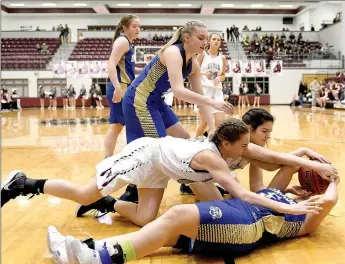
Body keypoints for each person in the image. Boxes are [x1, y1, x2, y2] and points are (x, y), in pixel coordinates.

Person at [1, 119, 338, 228]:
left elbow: (275, 159)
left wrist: (308, 164)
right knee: (83, 192)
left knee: (147, 217)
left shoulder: (226, 152)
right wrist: (291, 208)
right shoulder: (215, 159)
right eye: (243, 144)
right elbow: (245, 195)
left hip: (163, 168)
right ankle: (25, 183)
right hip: (146, 155)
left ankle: (108, 205)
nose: (247, 149)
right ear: (226, 143)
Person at [47, 164, 339, 264]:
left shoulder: (307, 212)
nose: (301, 187)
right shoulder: (277, 194)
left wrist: (334, 180)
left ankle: (98, 259)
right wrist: (302, 155)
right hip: (236, 215)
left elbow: (329, 202)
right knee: (162, 232)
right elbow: (263, 175)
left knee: (176, 215)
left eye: (308, 188)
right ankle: (88, 251)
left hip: (247, 225)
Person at [119, 20, 234, 203]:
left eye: (206, 38)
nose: (204, 42)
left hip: (157, 102)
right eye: (201, 38)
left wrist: (212, 127)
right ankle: (129, 192)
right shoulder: (173, 52)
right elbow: (179, 90)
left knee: (185, 140)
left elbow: (200, 94)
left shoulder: (193, 62)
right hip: (139, 101)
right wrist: (214, 101)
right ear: (187, 38)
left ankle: (186, 183)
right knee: (155, 150)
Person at [104, 15, 142, 159]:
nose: (138, 29)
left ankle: (108, 159)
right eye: (134, 26)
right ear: (125, 27)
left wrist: (145, 70)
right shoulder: (123, 41)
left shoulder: (128, 43)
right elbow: (111, 64)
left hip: (124, 87)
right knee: (123, 125)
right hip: (121, 88)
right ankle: (129, 159)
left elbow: (128, 68)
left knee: (117, 126)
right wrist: (117, 88)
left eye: (139, 26)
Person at [195, 33, 228, 137]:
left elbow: (223, 75)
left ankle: (212, 144)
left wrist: (220, 78)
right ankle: (194, 142)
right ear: (209, 41)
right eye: (214, 39)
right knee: (205, 123)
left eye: (218, 39)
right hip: (204, 91)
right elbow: (193, 72)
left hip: (217, 91)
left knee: (220, 123)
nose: (216, 41)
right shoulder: (202, 54)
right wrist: (205, 74)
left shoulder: (222, 58)